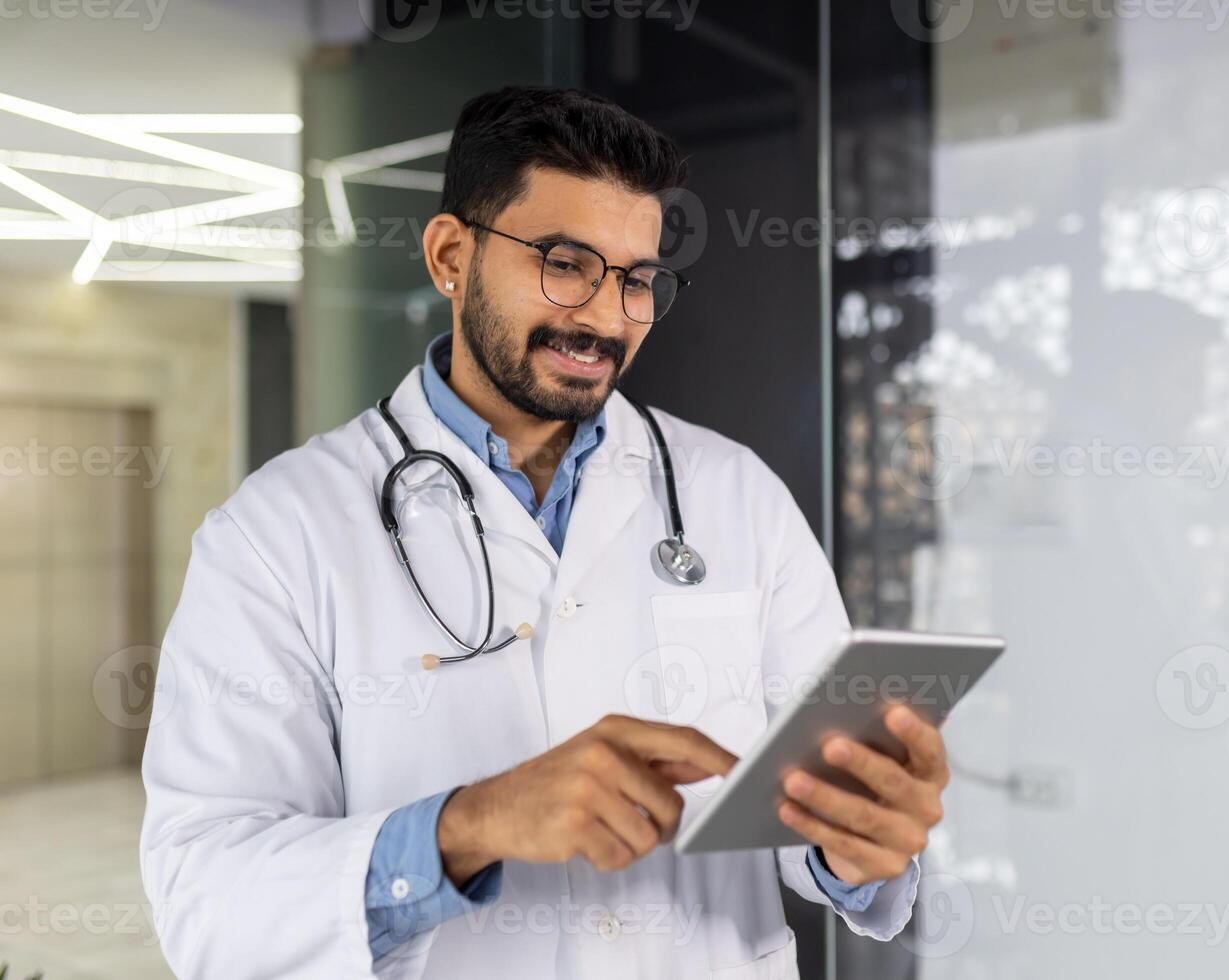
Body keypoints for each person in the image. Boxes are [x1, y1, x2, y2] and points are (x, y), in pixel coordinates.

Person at [139, 86, 947, 979]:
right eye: (566, 262)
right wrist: (471, 824)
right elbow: (203, 895)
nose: (605, 317)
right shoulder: (275, 532)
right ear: (452, 255)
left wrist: (861, 849)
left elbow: (810, 816)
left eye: (636, 279)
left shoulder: (737, 494)